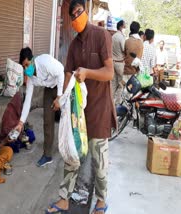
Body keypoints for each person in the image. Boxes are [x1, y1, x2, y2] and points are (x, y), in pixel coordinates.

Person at [46, 0, 116, 213]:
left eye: (79, 12)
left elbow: (109, 72)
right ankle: (64, 198)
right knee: (72, 155)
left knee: (99, 160)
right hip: (79, 112)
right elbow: (67, 75)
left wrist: (87, 72)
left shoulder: (101, 35)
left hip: (100, 110)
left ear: (86, 12)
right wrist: (61, 97)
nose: (76, 17)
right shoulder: (74, 45)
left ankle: (102, 200)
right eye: (73, 15)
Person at [14, 47, 64, 167]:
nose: (26, 69)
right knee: (47, 121)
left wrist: (59, 97)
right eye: (23, 67)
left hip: (62, 84)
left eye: (27, 65)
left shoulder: (44, 61)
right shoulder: (30, 78)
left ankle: (73, 149)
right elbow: (28, 100)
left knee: (69, 119)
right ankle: (47, 155)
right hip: (49, 89)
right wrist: (21, 122)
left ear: (32, 59)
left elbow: (61, 73)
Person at [112, 20, 126, 105]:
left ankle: (111, 101)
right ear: (121, 27)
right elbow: (124, 50)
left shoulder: (113, 36)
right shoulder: (121, 37)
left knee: (113, 84)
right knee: (121, 84)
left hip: (112, 62)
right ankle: (117, 103)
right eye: (124, 27)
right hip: (120, 63)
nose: (125, 28)